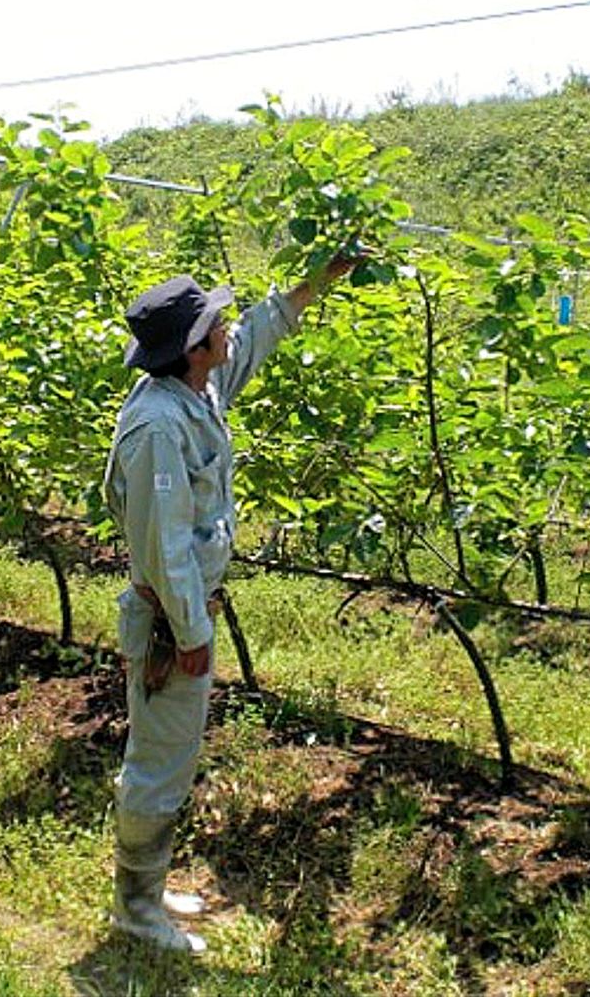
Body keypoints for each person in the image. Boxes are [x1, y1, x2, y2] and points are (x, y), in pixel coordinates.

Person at [103, 254, 358, 953]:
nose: (227, 327)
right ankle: (136, 910)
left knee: (171, 753)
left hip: (185, 615)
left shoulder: (198, 389)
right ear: (193, 347)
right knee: (159, 761)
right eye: (215, 322)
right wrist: (190, 633)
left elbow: (256, 336)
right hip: (169, 622)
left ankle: (146, 890)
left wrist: (318, 281)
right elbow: (164, 549)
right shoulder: (159, 428)